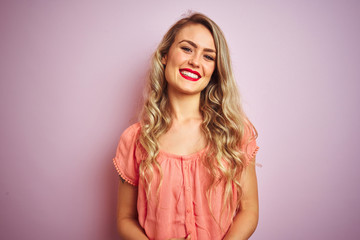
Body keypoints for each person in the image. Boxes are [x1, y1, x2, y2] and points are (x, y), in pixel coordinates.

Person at [113, 12, 259, 240]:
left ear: (214, 71)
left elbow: (249, 211)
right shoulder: (134, 140)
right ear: (164, 55)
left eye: (208, 57)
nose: (195, 61)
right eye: (187, 49)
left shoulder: (235, 131)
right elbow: (125, 219)